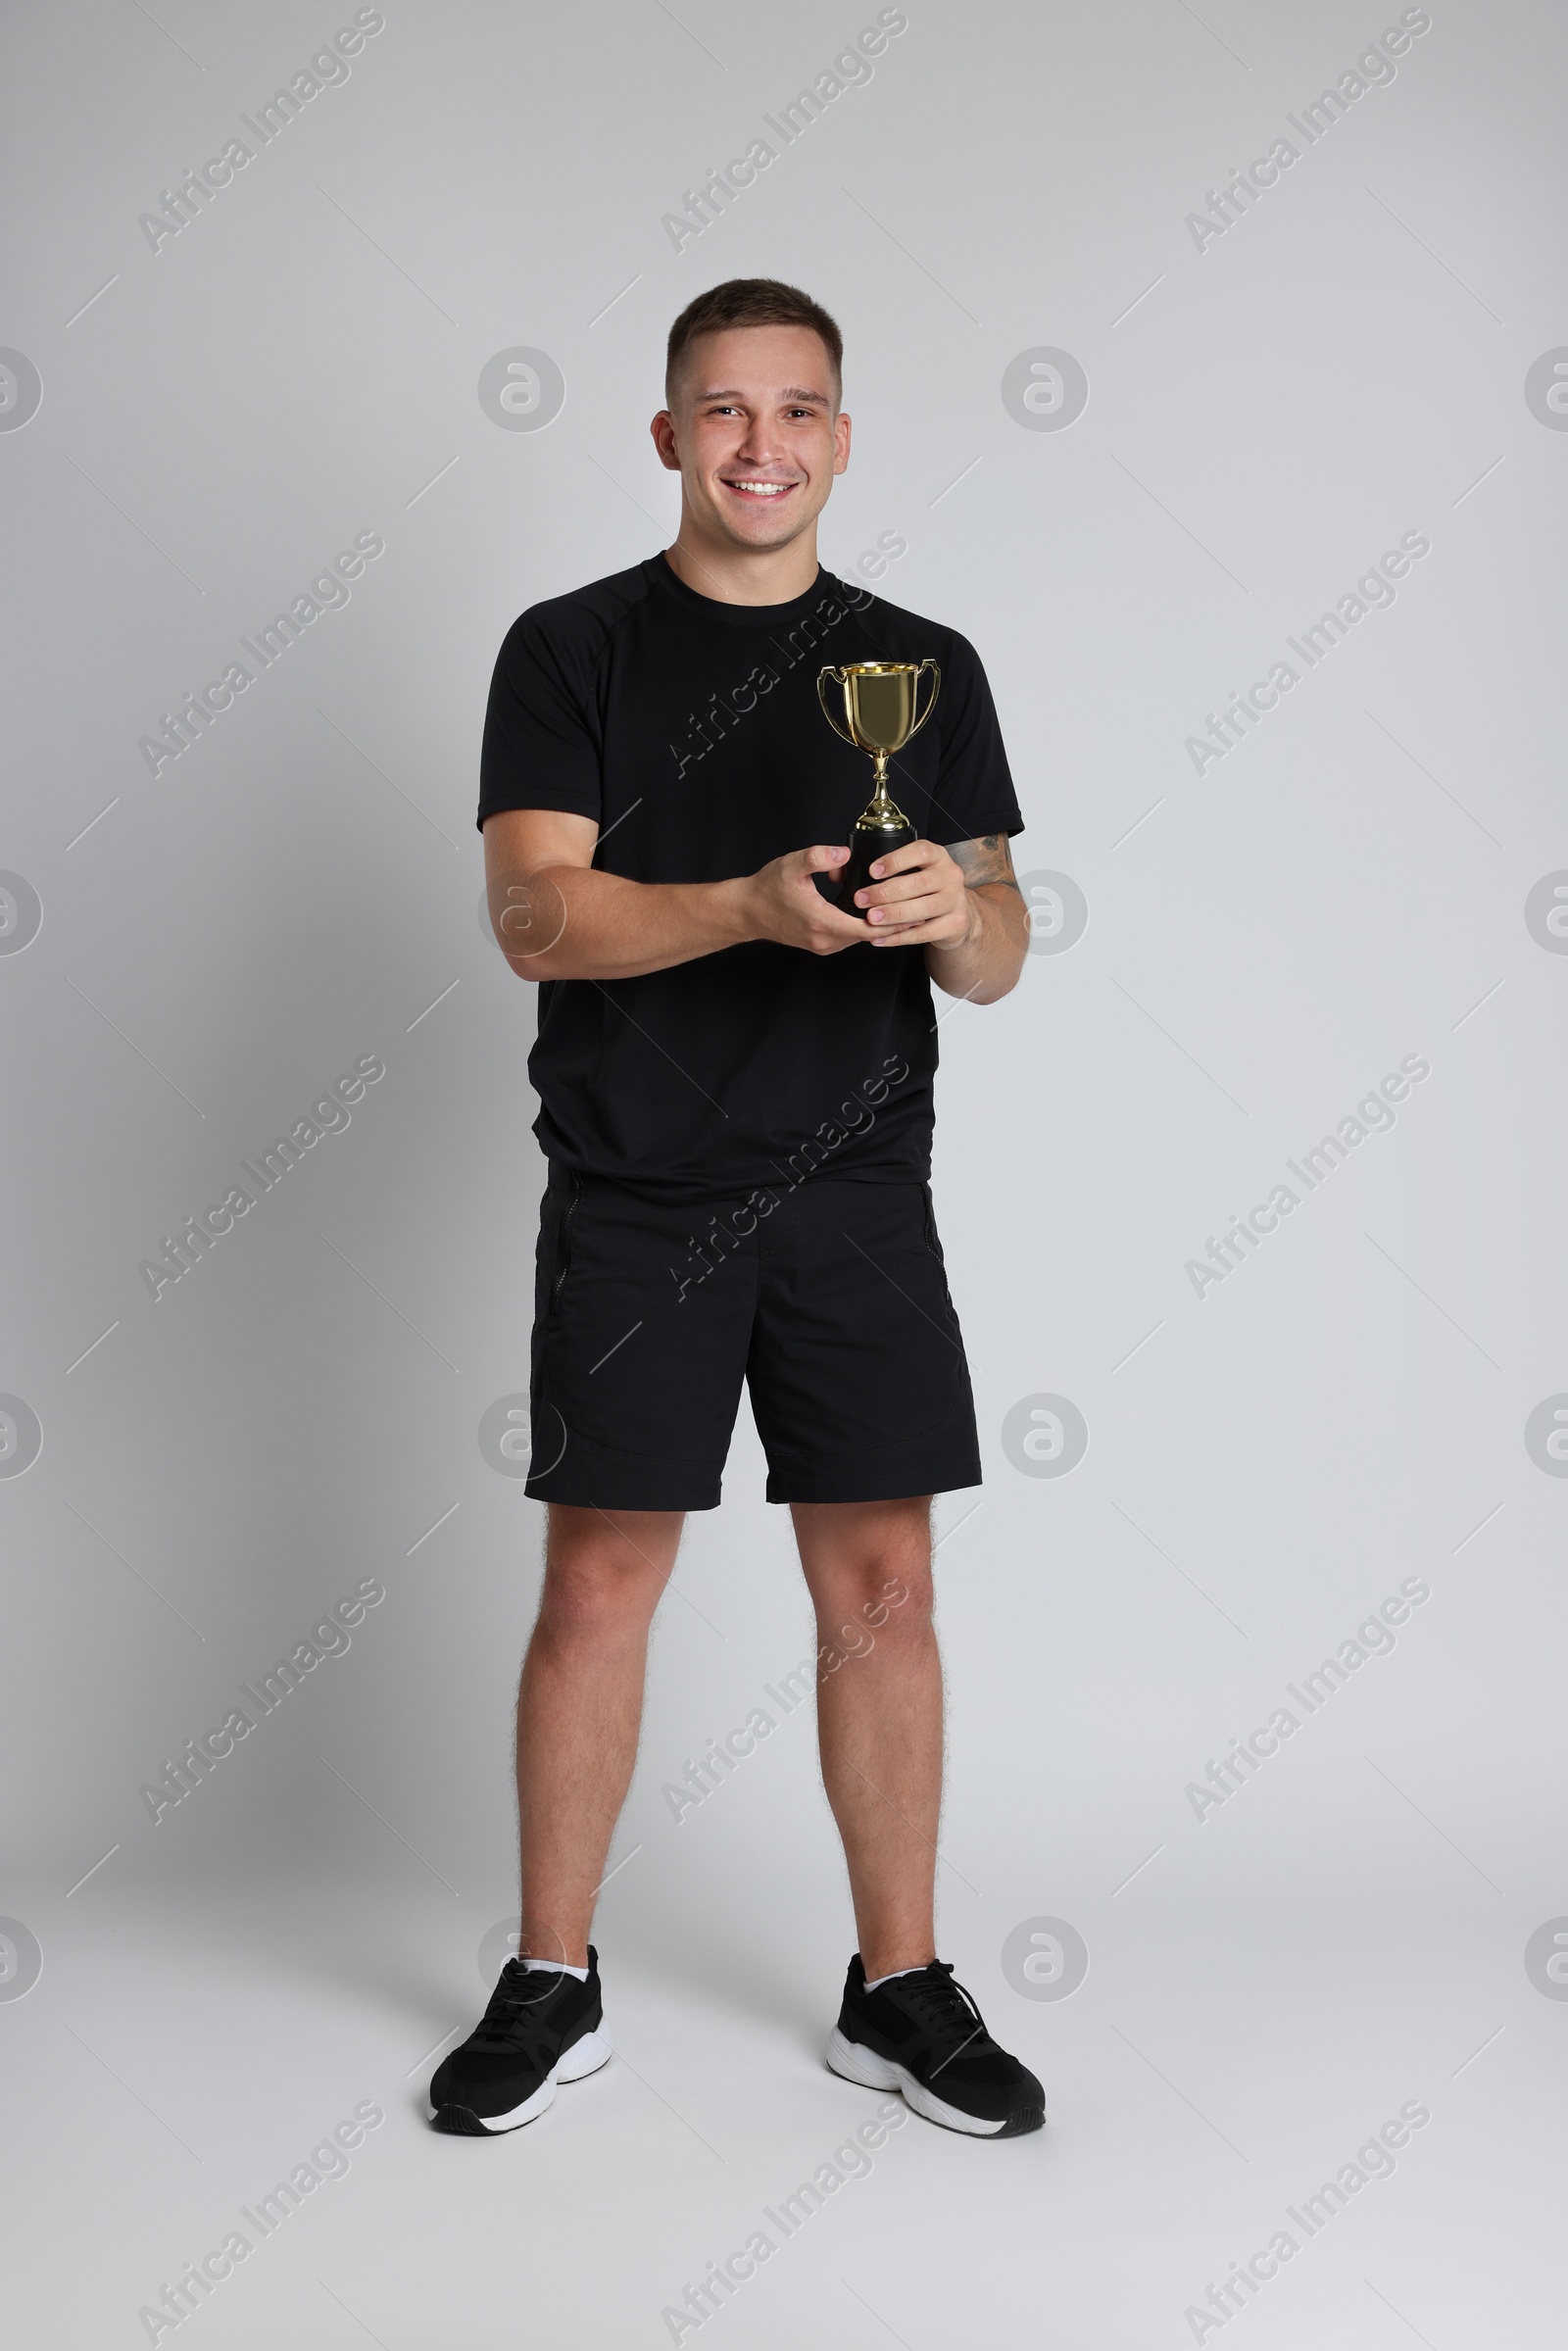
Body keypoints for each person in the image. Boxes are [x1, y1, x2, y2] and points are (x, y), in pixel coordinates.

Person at [430, 277, 1042, 2140]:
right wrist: (743, 903)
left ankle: (899, 1985)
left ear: (841, 440)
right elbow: (536, 916)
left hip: (858, 1183)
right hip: (636, 1187)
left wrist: (959, 919)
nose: (759, 444)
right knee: (600, 1586)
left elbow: (1004, 946)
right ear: (669, 435)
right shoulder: (571, 650)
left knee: (886, 1591)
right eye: (722, 410)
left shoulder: (923, 660)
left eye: (795, 413)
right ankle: (554, 1976)